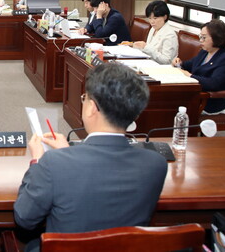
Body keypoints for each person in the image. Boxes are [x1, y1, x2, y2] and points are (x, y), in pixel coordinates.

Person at [13, 64, 167, 250]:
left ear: (91, 108)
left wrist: (37, 161)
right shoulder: (156, 164)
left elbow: (24, 217)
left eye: (84, 98)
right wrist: (66, 152)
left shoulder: (52, 163)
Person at [172, 19, 225, 114]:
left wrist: (190, 76)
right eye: (200, 37)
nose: (200, 40)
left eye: (204, 38)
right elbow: (190, 64)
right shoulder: (204, 52)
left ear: (217, 38)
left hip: (209, 100)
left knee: (169, 102)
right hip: (195, 94)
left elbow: (214, 84)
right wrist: (179, 63)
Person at [130, 0, 179, 64]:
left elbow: (167, 61)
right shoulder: (153, 29)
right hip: (149, 63)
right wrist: (135, 46)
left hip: (162, 68)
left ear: (165, 17)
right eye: (150, 18)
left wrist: (146, 47)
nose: (152, 22)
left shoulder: (170, 35)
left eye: (155, 18)